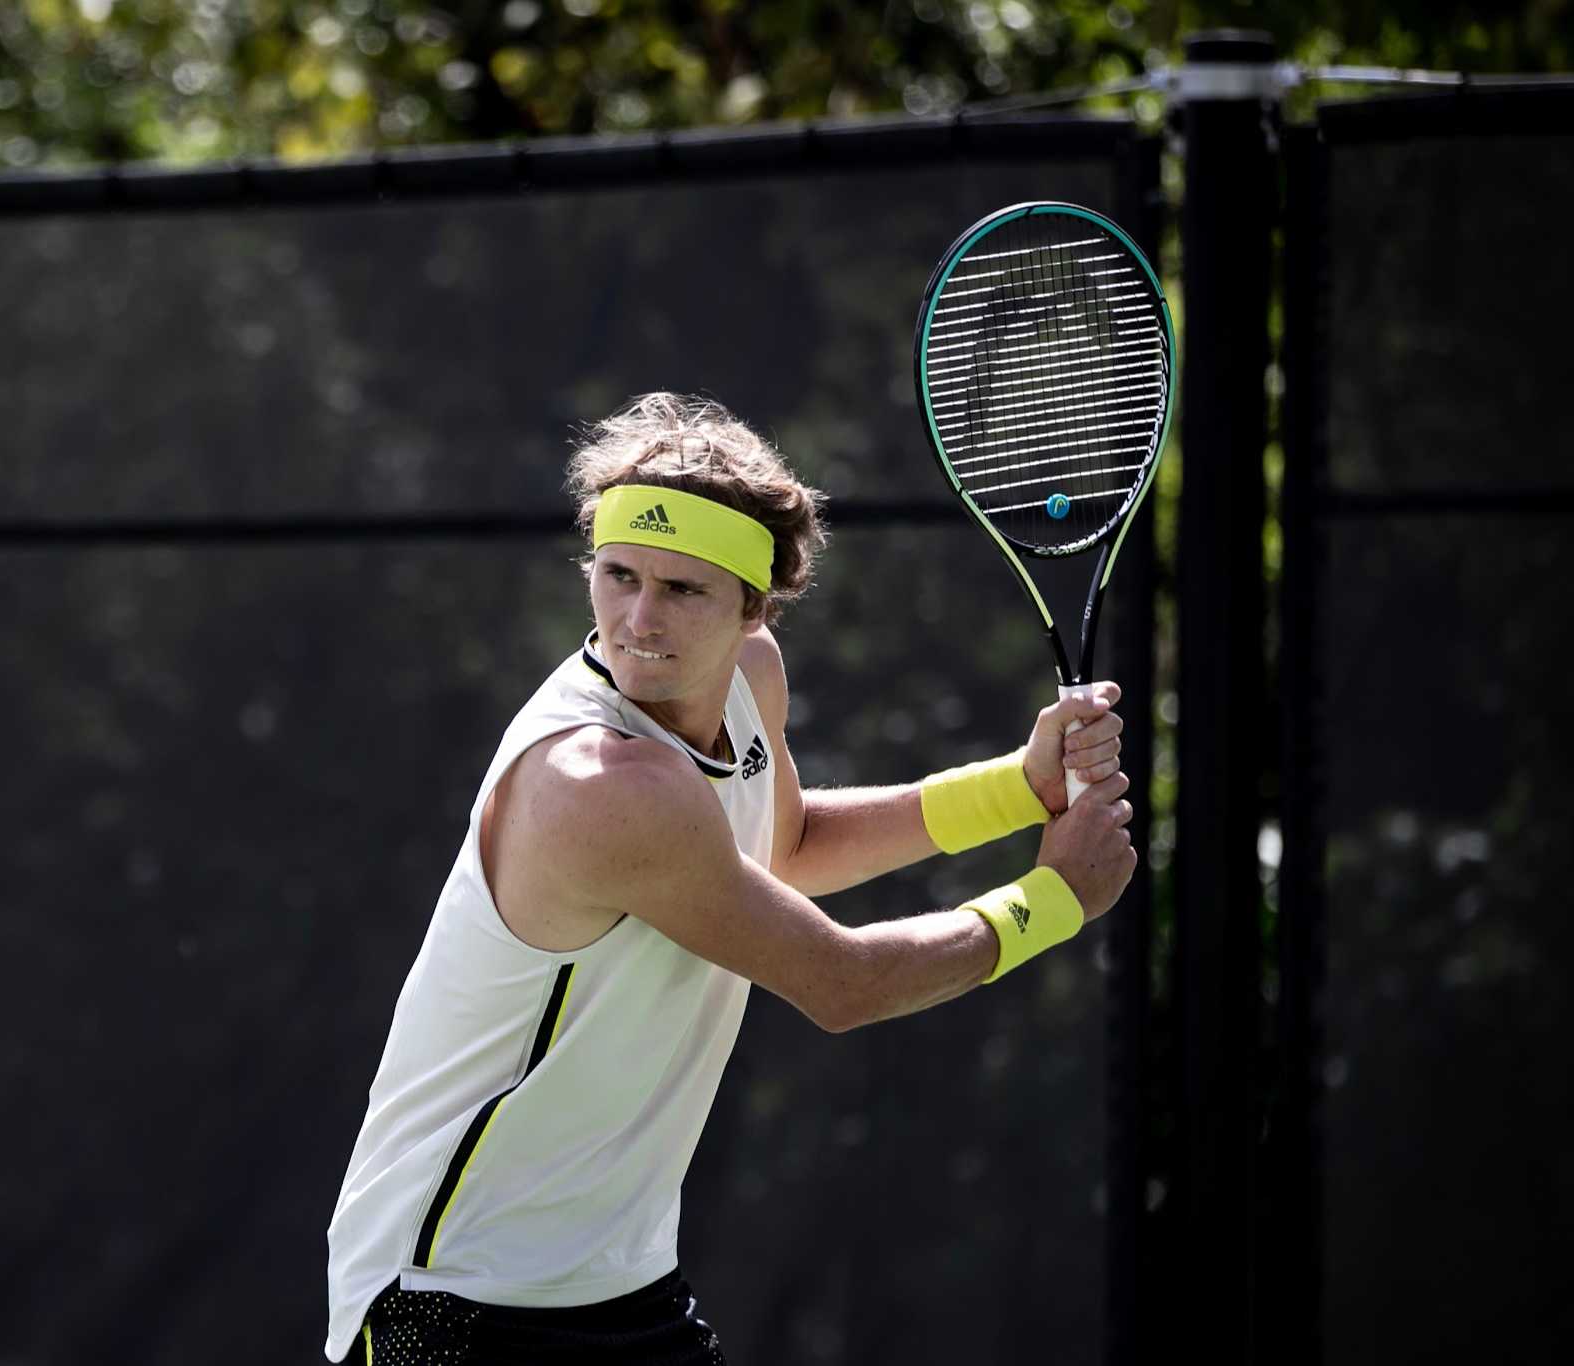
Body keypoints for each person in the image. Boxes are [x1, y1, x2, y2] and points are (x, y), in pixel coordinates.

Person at [322, 393, 1137, 1364]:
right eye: (617, 575)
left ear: (753, 605)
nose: (638, 619)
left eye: (681, 589)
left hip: (617, 1279)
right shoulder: (600, 784)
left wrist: (1013, 789)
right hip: (443, 1301)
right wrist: (1053, 900)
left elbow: (780, 845)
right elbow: (841, 983)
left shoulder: (750, 677)